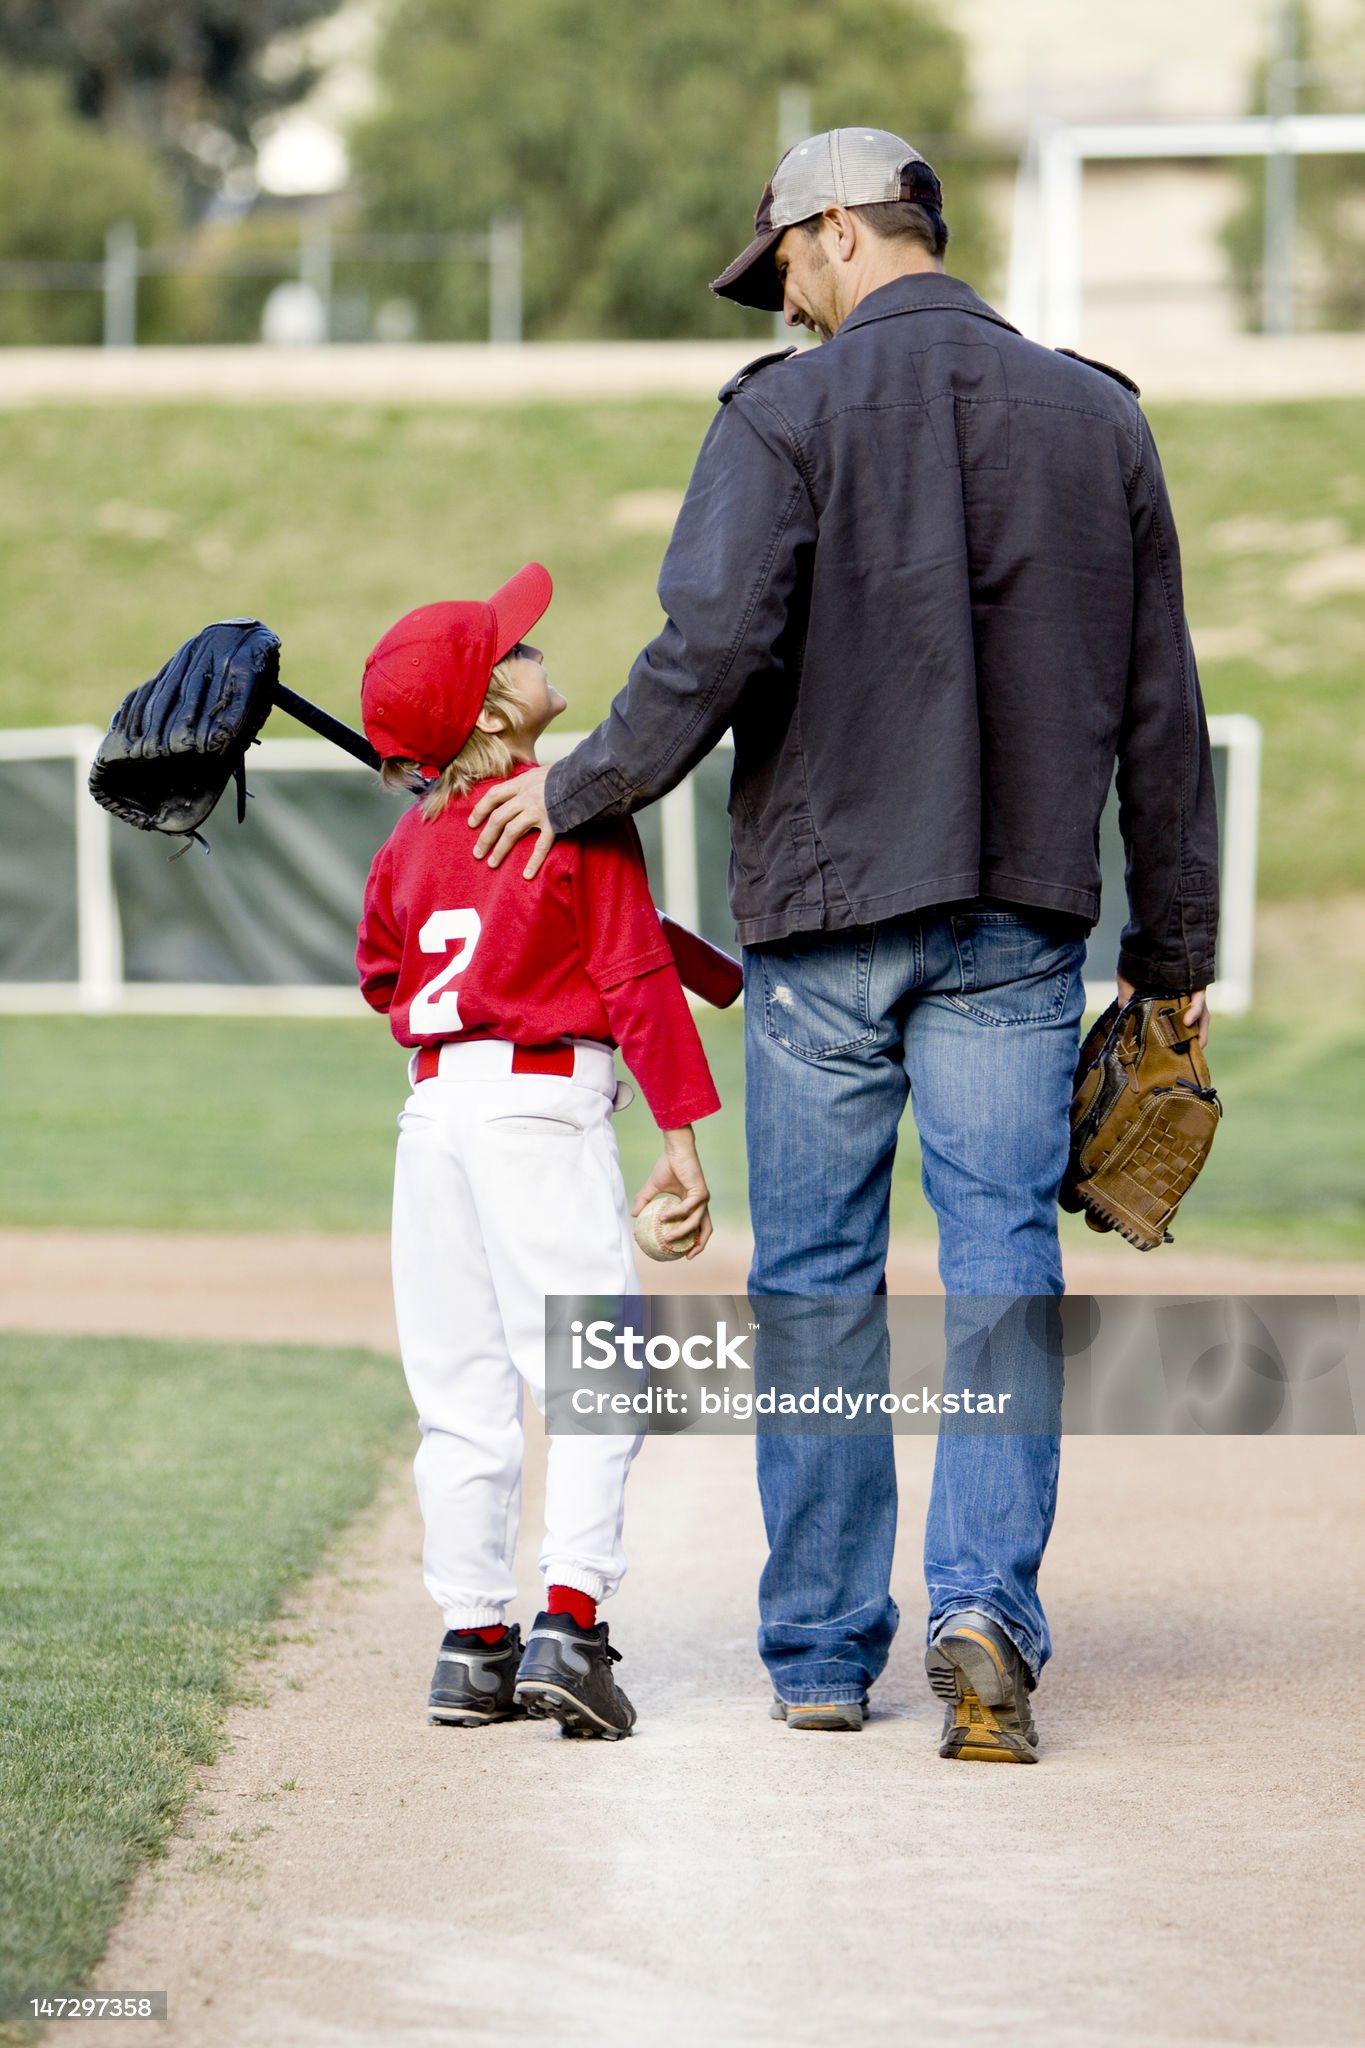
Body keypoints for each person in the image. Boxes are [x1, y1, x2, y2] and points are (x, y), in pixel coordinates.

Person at [466, 132, 1219, 1761]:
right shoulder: (1101, 418)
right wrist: (1176, 953)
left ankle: (820, 1649)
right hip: (1021, 910)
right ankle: (985, 1615)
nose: (786, 300)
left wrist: (577, 783)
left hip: (822, 918)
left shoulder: (780, 414)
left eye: (788, 266)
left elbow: (711, 644)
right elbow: (1165, 710)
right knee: (1005, 1262)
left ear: (836, 233)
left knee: (816, 1279)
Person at [355, 563, 720, 1740]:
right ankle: (570, 1623)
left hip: (433, 1122)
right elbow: (631, 976)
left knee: (459, 1395)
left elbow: (382, 976)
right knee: (594, 1374)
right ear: (498, 714)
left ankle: (472, 1644)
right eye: (513, 650)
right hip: (540, 1111)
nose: (533, 648)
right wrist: (683, 1143)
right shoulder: (577, 806)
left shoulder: (411, 843)